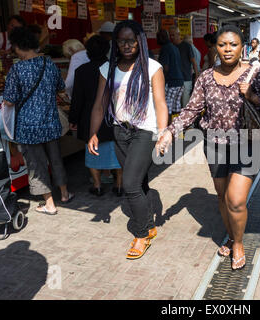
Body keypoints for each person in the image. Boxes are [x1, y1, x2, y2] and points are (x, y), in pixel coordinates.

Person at [156, 25, 260, 270]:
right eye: (222, 44)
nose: (227, 49)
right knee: (223, 197)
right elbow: (192, 109)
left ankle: (238, 243)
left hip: (247, 143)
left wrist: (254, 97)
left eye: (233, 44)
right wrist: (170, 133)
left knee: (236, 200)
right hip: (215, 144)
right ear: (216, 47)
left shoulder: (255, 74)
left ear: (242, 48)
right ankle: (230, 234)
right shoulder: (205, 77)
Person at [88, 20, 168, 259]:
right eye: (121, 40)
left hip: (145, 132)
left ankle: (142, 234)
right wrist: (92, 133)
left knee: (130, 184)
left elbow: (161, 103)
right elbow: (99, 106)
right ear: (115, 43)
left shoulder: (152, 68)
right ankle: (150, 225)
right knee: (140, 182)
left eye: (131, 40)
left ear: (140, 41)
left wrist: (163, 133)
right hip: (119, 131)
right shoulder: (107, 69)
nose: (126, 45)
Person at [3, 27, 74, 215]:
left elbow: (9, 100)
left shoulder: (17, 69)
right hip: (50, 122)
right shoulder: (48, 63)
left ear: (18, 46)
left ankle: (49, 204)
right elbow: (61, 89)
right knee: (56, 159)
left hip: (28, 127)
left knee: (37, 165)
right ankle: (65, 194)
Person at [69, 35, 123, 197]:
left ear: (88, 52)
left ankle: (97, 185)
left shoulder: (81, 71)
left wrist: (73, 119)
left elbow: (77, 99)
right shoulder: (115, 68)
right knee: (116, 151)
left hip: (89, 118)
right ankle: (119, 184)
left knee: (92, 151)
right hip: (113, 116)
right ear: (107, 51)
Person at [169, 26, 199, 108]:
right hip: (174, 80)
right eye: (170, 35)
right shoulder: (170, 47)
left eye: (173, 35)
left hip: (186, 79)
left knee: (185, 104)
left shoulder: (186, 46)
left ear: (178, 34)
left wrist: (196, 76)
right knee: (176, 106)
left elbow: (194, 62)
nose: (171, 37)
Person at [157, 29, 184, 118]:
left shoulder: (165, 48)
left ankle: (168, 129)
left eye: (157, 38)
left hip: (171, 82)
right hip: (180, 82)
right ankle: (177, 130)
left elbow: (166, 67)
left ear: (161, 38)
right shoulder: (174, 47)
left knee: (167, 108)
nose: (156, 40)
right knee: (176, 108)